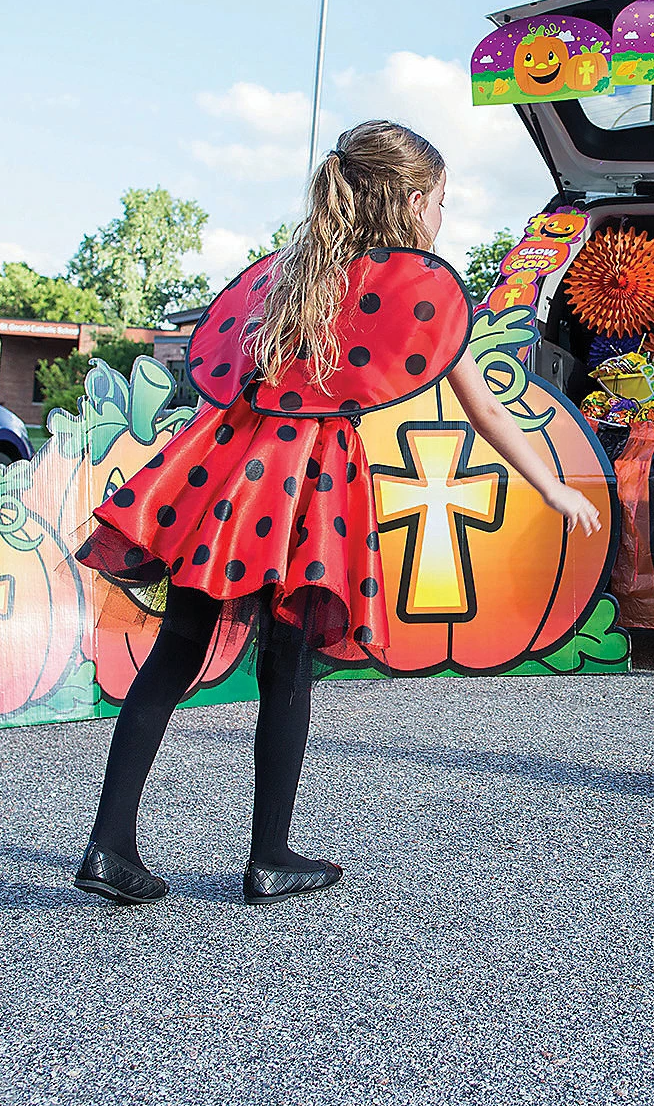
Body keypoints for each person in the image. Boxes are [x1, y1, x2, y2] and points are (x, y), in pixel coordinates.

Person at [71, 120, 602, 908]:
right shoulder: (415, 290)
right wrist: (554, 485)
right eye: (444, 202)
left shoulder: (290, 273)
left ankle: (109, 845)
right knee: (287, 664)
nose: (444, 216)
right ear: (416, 201)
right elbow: (487, 412)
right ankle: (269, 855)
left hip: (224, 470)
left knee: (175, 653)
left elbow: (221, 363)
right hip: (308, 485)